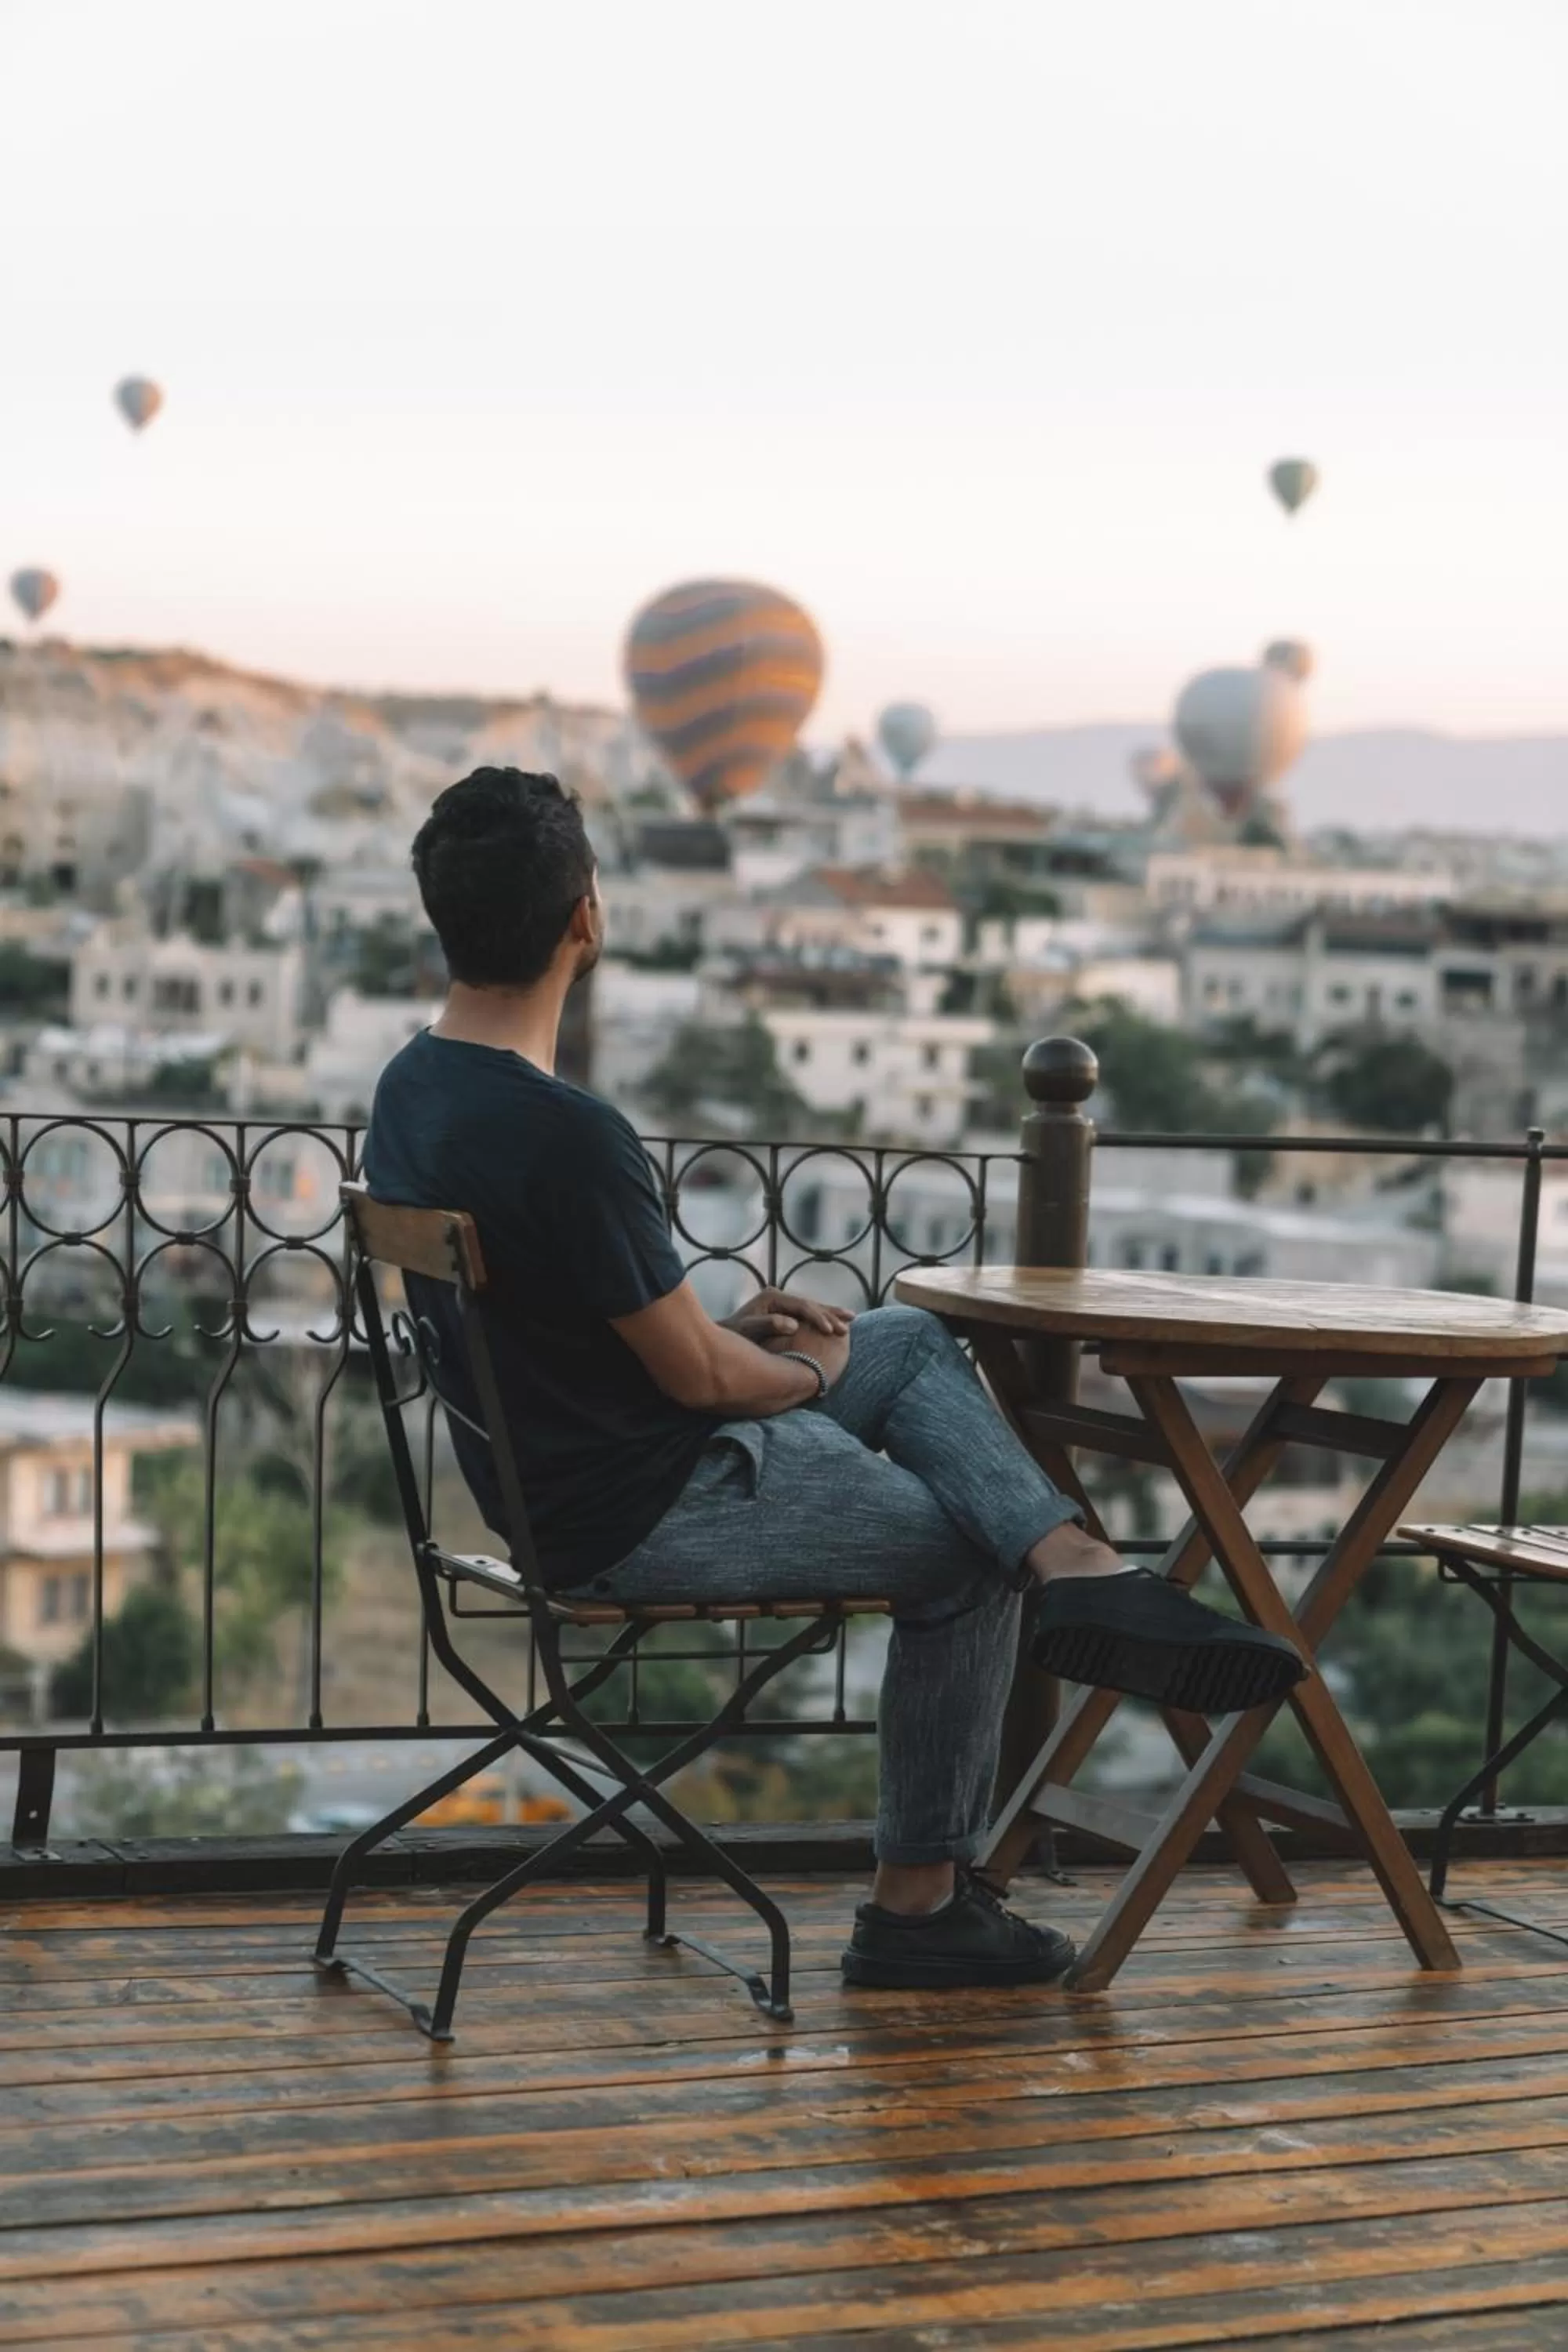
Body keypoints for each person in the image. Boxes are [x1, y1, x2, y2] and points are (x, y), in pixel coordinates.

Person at [363, 768, 1305, 1990]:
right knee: (968, 1554)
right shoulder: (571, 1134)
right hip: (638, 1507)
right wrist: (792, 1374)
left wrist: (744, 1340)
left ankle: (1081, 1571)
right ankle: (918, 1910)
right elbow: (702, 1382)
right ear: (585, 918)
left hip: (552, 1474)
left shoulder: (409, 1090)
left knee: (907, 1336)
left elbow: (569, 1319)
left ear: (443, 915)